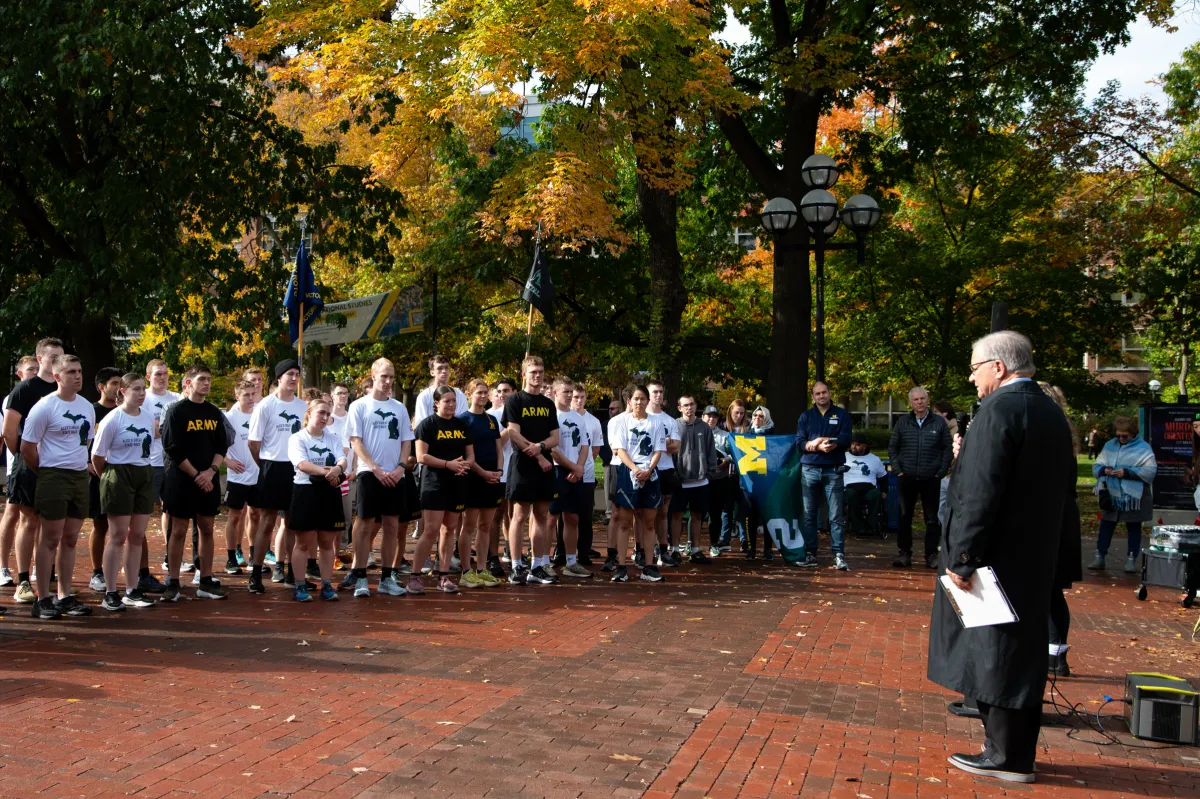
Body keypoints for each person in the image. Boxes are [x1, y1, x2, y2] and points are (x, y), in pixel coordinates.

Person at [930, 331, 1074, 784]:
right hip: (1033, 557)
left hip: (994, 559)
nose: (971, 377)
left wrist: (963, 555)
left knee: (995, 651)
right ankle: (1011, 749)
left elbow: (978, 491)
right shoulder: (1049, 412)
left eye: (974, 367)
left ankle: (1004, 755)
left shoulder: (999, 411)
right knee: (1019, 650)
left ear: (998, 366)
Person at [20, 353, 95, 619]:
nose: (77, 376)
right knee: (50, 537)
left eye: (80, 371)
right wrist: (45, 470)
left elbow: (86, 441)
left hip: (78, 476)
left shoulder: (86, 406)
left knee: (71, 538)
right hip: (52, 475)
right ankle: (43, 598)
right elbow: (27, 447)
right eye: (71, 372)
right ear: (57, 376)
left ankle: (64, 596)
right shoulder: (45, 407)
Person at [345, 358, 415, 597]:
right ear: (373, 376)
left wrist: (400, 467)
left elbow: (406, 441)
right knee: (365, 525)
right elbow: (356, 441)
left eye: (391, 377)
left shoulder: (399, 407)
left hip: (395, 475)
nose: (388, 382)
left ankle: (387, 578)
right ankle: (361, 576)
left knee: (392, 525)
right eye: (384, 376)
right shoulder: (359, 406)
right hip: (369, 473)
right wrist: (375, 469)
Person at [3, 338, 65, 605]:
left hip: (57, 467)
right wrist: (27, 458)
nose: (58, 363)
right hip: (28, 466)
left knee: (51, 523)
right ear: (40, 359)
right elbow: (8, 431)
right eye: (53, 357)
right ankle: (23, 580)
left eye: (61, 357)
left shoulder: (66, 390)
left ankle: (46, 578)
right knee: (29, 521)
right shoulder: (24, 390)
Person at [159, 362, 228, 602]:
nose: (207, 383)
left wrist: (210, 471)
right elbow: (172, 447)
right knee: (178, 530)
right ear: (188, 383)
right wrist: (196, 475)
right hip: (182, 479)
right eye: (202, 379)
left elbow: (221, 445)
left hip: (208, 480)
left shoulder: (214, 412)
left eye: (209, 379)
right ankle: (174, 581)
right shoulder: (176, 411)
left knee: (207, 528)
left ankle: (206, 580)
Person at [91, 373, 157, 611]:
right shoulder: (113, 419)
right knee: (117, 535)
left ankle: (132, 589)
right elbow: (97, 456)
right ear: (123, 392)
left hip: (143, 473)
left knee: (137, 535)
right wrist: (109, 478)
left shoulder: (148, 418)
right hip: (118, 473)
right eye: (136, 389)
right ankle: (110, 591)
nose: (141, 393)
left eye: (143, 389)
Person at [246, 360, 307, 593]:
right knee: (267, 522)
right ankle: (256, 573)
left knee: (293, 522)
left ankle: (293, 573)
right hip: (272, 466)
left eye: (297, 374)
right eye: (289, 374)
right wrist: (265, 465)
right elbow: (253, 443)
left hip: (296, 468)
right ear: (279, 378)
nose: (294, 378)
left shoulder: (303, 406)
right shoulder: (265, 406)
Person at [502, 356, 560, 585]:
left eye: (541, 371)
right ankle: (516, 566)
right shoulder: (515, 401)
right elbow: (513, 433)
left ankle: (537, 566)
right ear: (524, 375)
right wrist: (537, 455)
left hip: (544, 464)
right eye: (533, 371)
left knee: (542, 515)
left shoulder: (548, 404)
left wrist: (541, 447)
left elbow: (555, 437)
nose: (538, 375)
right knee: (518, 515)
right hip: (523, 465)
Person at [412, 386, 475, 593]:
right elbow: (422, 457)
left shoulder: (461, 425)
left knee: (449, 530)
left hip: (458, 483)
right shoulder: (427, 425)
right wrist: (449, 464)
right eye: (446, 401)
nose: (450, 405)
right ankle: (415, 576)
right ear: (436, 403)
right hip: (434, 484)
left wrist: (464, 465)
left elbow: (470, 454)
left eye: (453, 401)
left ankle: (444, 576)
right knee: (430, 530)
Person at [287, 396, 348, 602]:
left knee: (327, 542)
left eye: (328, 414)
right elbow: (302, 464)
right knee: (303, 542)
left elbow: (342, 459)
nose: (324, 417)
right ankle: (298, 585)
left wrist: (338, 469)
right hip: (306, 491)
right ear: (309, 414)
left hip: (329, 492)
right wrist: (327, 472)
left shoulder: (332, 437)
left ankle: (327, 585)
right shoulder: (298, 438)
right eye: (320, 412)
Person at [1040, 382, 1082, 678]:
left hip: (1048, 515)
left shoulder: (1047, 434)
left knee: (1045, 589)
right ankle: (1057, 653)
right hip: (1063, 514)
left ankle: (1051, 652)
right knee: (1053, 591)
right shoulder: (1065, 433)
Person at [887, 387, 952, 569]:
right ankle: (904, 553)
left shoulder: (939, 422)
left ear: (928, 400)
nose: (919, 402)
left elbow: (947, 449)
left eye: (922, 398)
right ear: (911, 402)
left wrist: (941, 471)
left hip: (931, 477)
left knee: (932, 519)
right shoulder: (903, 422)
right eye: (915, 399)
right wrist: (898, 469)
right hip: (906, 476)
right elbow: (893, 447)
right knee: (904, 516)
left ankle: (931, 555)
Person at [609, 384, 666, 582]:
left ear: (647, 400)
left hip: (650, 473)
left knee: (649, 521)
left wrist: (649, 470)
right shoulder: (623, 422)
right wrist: (635, 469)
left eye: (643, 398)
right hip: (629, 472)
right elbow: (620, 449)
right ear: (629, 401)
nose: (639, 402)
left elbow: (659, 449)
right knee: (624, 521)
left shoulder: (656, 423)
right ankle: (621, 566)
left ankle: (649, 566)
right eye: (636, 398)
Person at [795, 383, 852, 570]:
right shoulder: (806, 416)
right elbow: (800, 442)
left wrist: (831, 443)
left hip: (833, 469)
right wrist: (815, 445)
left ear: (829, 393)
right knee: (809, 515)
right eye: (817, 393)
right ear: (813, 397)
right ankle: (810, 553)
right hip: (809, 469)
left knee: (836, 515)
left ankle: (838, 554)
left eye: (824, 392)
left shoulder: (842, 414)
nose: (821, 396)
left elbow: (846, 439)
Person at [1090, 416, 1157, 573]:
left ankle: (1131, 560)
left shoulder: (1143, 447)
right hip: (1111, 493)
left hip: (1133, 496)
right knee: (1106, 525)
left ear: (1133, 434)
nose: (1121, 439)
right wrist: (1103, 470)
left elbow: (1151, 471)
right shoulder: (1109, 446)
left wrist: (1127, 472)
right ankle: (1100, 557)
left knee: (1133, 527)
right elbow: (1096, 465)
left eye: (1125, 436)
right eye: (1118, 435)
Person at [457, 378, 503, 588]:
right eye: (479, 393)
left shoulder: (492, 420)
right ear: (469, 394)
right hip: (473, 478)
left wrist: (498, 471)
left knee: (485, 526)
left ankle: (482, 568)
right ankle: (466, 571)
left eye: (485, 393)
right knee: (468, 526)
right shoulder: (462, 420)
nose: (483, 396)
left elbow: (499, 449)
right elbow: (466, 455)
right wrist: (483, 473)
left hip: (492, 478)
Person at [549, 376, 593, 579]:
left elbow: (585, 446)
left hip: (576, 474)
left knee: (572, 518)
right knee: (549, 519)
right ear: (555, 392)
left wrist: (579, 468)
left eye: (570, 391)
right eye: (564, 391)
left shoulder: (578, 418)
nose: (568, 395)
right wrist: (573, 467)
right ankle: (541, 561)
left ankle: (571, 562)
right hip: (557, 472)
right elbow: (553, 450)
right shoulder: (550, 416)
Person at [0, 355, 38, 588]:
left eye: (37, 369)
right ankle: (4, 567)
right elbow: (7, 433)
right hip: (19, 465)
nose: (34, 373)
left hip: (40, 464)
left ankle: (37, 569)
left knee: (39, 518)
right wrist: (20, 457)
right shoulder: (13, 398)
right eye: (30, 369)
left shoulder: (45, 396)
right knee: (13, 514)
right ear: (20, 373)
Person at [142, 359, 181, 578]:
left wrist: (161, 428)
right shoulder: (143, 398)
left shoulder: (176, 398)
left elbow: (173, 430)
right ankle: (141, 564)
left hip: (171, 462)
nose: (162, 377)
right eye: (158, 374)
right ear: (148, 377)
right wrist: (162, 428)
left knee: (172, 510)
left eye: (165, 373)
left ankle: (170, 554)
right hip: (149, 463)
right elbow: (152, 431)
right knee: (143, 513)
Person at [87, 367, 123, 592]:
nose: (119, 388)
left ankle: (138, 572)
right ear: (101, 387)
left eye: (121, 383)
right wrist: (87, 463)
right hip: (99, 476)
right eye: (114, 383)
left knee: (128, 527)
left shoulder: (127, 411)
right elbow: (81, 440)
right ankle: (96, 573)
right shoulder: (91, 411)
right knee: (100, 525)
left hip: (124, 476)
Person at [673, 395, 716, 564]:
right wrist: (674, 475)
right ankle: (675, 549)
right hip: (680, 480)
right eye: (685, 405)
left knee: (697, 515)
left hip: (700, 480)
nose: (689, 408)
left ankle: (696, 550)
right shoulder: (674, 426)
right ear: (679, 408)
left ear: (696, 405)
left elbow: (710, 451)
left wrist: (709, 472)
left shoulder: (704, 428)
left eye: (691, 404)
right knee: (676, 516)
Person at [222, 380, 259, 575]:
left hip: (258, 474)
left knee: (256, 515)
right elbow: (218, 445)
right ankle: (231, 558)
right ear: (237, 396)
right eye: (246, 395)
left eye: (253, 394)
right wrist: (227, 462)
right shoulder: (229, 417)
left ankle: (254, 556)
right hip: (237, 475)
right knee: (235, 516)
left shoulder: (259, 414)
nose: (251, 398)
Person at [646, 380, 681, 567]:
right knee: (645, 513)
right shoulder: (643, 418)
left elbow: (676, 447)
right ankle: (641, 549)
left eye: (660, 392)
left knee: (663, 511)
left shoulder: (669, 420)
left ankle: (663, 550)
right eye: (654, 392)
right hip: (647, 470)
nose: (658, 395)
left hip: (666, 470)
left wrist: (662, 443)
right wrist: (663, 442)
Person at [486, 377, 516, 577]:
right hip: (498, 471)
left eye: (507, 390)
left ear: (514, 392)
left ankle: (515, 557)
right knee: (494, 517)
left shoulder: (521, 414)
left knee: (514, 517)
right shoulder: (491, 416)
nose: (503, 394)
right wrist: (511, 428)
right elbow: (495, 444)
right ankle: (492, 557)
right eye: (500, 391)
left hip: (517, 472)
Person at [572, 384, 605, 564]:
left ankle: (583, 552)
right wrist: (572, 467)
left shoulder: (593, 421)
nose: (578, 400)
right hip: (565, 472)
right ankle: (562, 552)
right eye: (575, 396)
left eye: (581, 397)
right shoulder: (561, 417)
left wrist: (581, 466)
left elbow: (596, 448)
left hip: (587, 474)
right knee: (565, 515)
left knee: (585, 515)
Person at [703, 406, 734, 558]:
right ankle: (692, 544)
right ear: (703, 417)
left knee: (716, 514)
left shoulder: (725, 435)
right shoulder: (697, 432)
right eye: (708, 416)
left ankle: (714, 544)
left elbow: (733, 454)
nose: (711, 419)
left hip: (720, 479)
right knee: (697, 513)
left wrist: (726, 460)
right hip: (701, 479)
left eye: (714, 416)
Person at [601, 395, 627, 571]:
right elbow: (612, 448)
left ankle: (641, 553)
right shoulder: (614, 422)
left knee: (640, 516)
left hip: (640, 471)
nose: (611, 411)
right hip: (617, 468)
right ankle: (611, 555)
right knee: (615, 514)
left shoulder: (647, 421)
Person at [747, 405, 776, 560]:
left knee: (767, 516)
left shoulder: (773, 436)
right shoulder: (747, 435)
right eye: (755, 416)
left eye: (761, 416)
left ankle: (767, 549)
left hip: (767, 481)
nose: (757, 419)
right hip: (751, 480)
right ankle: (751, 549)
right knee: (751, 515)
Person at [844, 432, 887, 536]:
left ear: (865, 446)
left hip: (869, 487)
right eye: (853, 444)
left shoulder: (874, 459)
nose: (854, 446)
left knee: (876, 494)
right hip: (850, 487)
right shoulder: (843, 457)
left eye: (857, 444)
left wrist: (884, 491)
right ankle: (858, 526)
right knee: (851, 495)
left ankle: (871, 525)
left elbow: (883, 477)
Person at [412, 355, 469, 427]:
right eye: (440, 368)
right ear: (432, 372)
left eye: (446, 368)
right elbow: (421, 425)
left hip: (455, 435)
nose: (444, 371)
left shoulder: (459, 395)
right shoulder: (424, 396)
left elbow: (464, 421)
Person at [932, 400, 959, 529]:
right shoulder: (946, 429)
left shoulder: (955, 431)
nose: (933, 415)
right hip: (946, 474)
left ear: (945, 413)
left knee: (945, 510)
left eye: (935, 412)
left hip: (951, 475)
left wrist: (946, 471)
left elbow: (955, 455)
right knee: (942, 510)